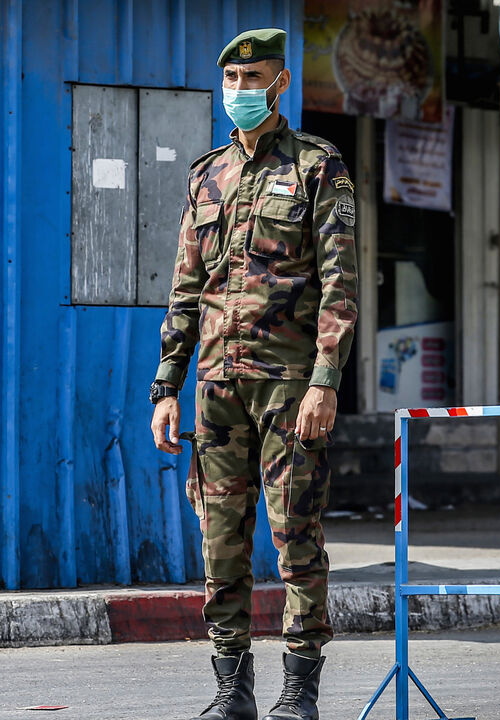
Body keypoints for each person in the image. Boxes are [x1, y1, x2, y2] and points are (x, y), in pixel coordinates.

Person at [148, 27, 358, 720]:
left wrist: (325, 381)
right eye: (233, 82)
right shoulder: (207, 174)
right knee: (220, 536)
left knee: (296, 533)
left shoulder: (317, 167)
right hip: (215, 385)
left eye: (255, 79)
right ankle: (231, 690)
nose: (241, 92)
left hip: (288, 386)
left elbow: (340, 285)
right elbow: (185, 290)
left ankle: (299, 690)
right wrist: (165, 388)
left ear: (282, 83)